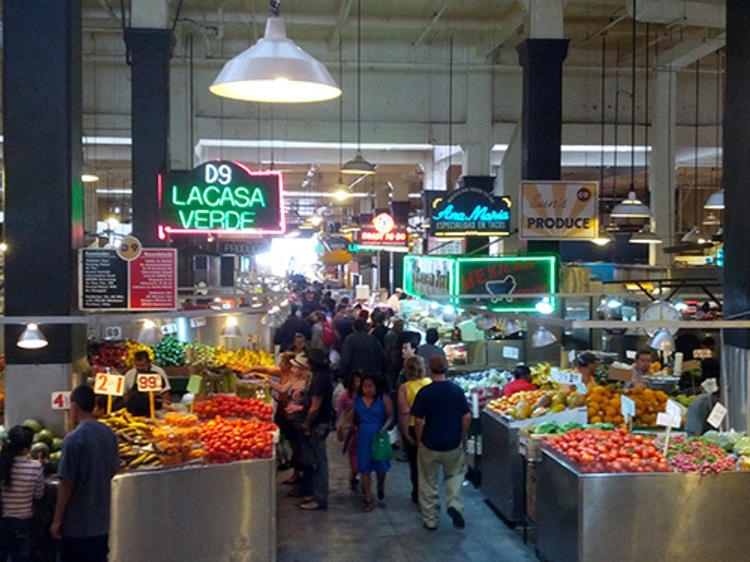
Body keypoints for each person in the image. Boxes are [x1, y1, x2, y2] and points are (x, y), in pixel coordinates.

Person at [51, 385, 119, 562]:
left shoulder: (73, 440)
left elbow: (66, 484)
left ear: (75, 406)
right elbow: (113, 470)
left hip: (77, 525)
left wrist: (57, 520)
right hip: (102, 521)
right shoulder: (109, 433)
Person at [412, 355, 471, 531]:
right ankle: (454, 503)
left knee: (428, 482)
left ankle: (430, 519)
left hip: (430, 443)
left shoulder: (425, 392)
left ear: (430, 370)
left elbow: (418, 420)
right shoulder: (457, 391)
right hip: (452, 443)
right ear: (446, 369)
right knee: (455, 476)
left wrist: (419, 440)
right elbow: (467, 416)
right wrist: (461, 435)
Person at [295, 349, 334, 511]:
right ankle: (316, 494)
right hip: (323, 422)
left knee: (318, 462)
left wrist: (307, 423)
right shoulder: (324, 376)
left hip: (319, 424)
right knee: (317, 461)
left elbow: (315, 406)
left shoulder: (319, 379)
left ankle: (320, 498)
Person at [0, 425, 45, 561]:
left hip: (3, 523)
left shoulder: (3, 465)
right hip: (24, 524)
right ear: (27, 448)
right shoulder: (35, 467)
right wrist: (40, 464)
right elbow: (39, 494)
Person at [354, 374, 394, 512]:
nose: (367, 389)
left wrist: (385, 427)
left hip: (379, 436)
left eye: (370, 386)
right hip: (363, 436)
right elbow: (352, 417)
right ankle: (368, 497)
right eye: (365, 386)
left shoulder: (383, 399)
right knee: (364, 467)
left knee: (381, 466)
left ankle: (380, 485)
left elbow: (390, 415)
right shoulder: (358, 401)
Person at [398, 356, 431, 503]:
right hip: (429, 426)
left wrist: (405, 433)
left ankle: (417, 493)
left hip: (412, 426)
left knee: (414, 463)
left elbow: (404, 413)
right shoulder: (429, 383)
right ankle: (429, 492)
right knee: (429, 463)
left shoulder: (404, 388)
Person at [340, 318, 389, 386]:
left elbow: (346, 359)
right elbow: (383, 357)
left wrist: (342, 374)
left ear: (353, 328)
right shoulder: (373, 339)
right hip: (372, 375)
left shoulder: (349, 340)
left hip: (355, 376)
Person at [335, 371, 362, 491]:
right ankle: (355, 472)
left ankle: (357, 472)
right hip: (349, 426)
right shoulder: (344, 395)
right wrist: (339, 427)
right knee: (353, 452)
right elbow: (338, 411)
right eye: (356, 381)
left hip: (362, 427)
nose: (359, 384)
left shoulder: (365, 395)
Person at [123, 350, 171, 416]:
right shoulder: (129, 374)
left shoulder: (158, 372)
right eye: (137, 365)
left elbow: (166, 392)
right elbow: (125, 394)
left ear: (149, 363)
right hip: (134, 410)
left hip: (156, 409)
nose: (140, 368)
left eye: (142, 365)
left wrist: (166, 407)